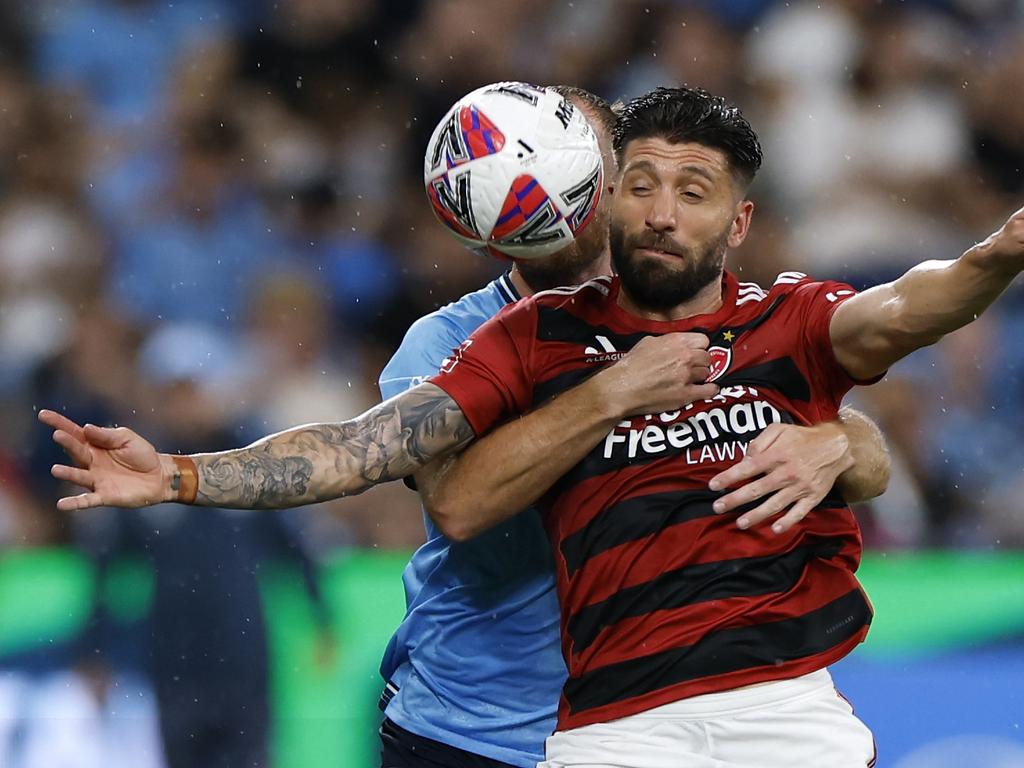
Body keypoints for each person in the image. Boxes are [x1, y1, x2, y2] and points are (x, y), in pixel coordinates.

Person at [51, 84, 1016, 765]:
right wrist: (180, 474)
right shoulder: (463, 340)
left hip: (683, 708)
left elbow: (855, 409)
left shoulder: (710, 303)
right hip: (481, 726)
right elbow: (419, 483)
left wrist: (845, 443)